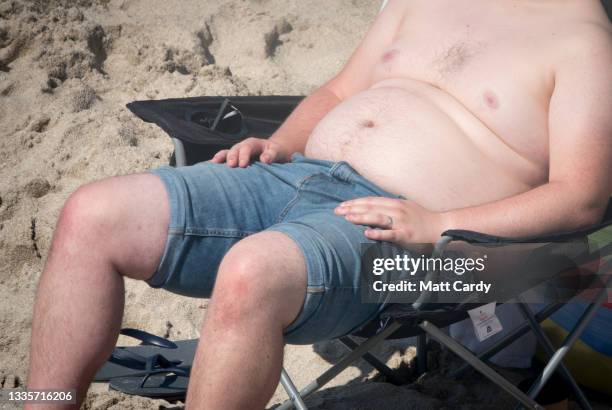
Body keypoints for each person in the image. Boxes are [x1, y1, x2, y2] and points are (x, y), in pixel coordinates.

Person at [27, 0, 612, 409]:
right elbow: (337, 91)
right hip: (293, 173)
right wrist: (279, 143)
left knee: (253, 272)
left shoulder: (582, 41)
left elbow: (582, 200)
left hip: (416, 246)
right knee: (92, 213)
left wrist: (441, 223)